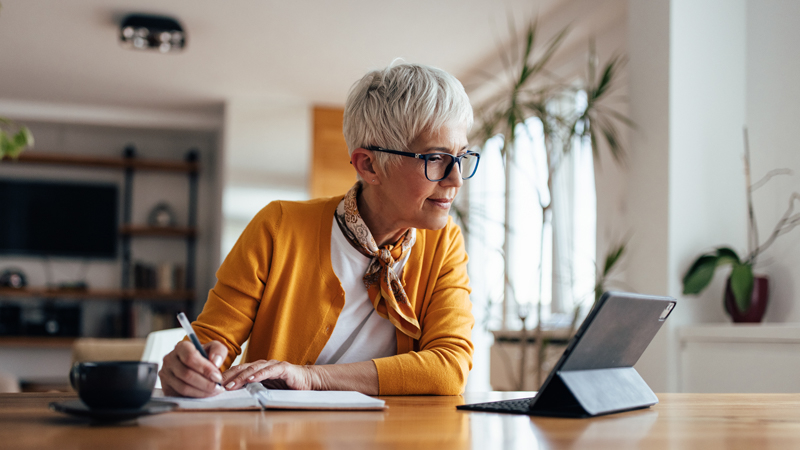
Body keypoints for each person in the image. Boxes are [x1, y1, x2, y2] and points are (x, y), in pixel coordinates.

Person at [159, 62, 480, 397]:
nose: (456, 179)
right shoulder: (278, 227)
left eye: (462, 157)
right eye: (435, 159)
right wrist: (190, 369)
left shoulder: (444, 243)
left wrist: (313, 378)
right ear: (369, 165)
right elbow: (214, 345)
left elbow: (449, 368)